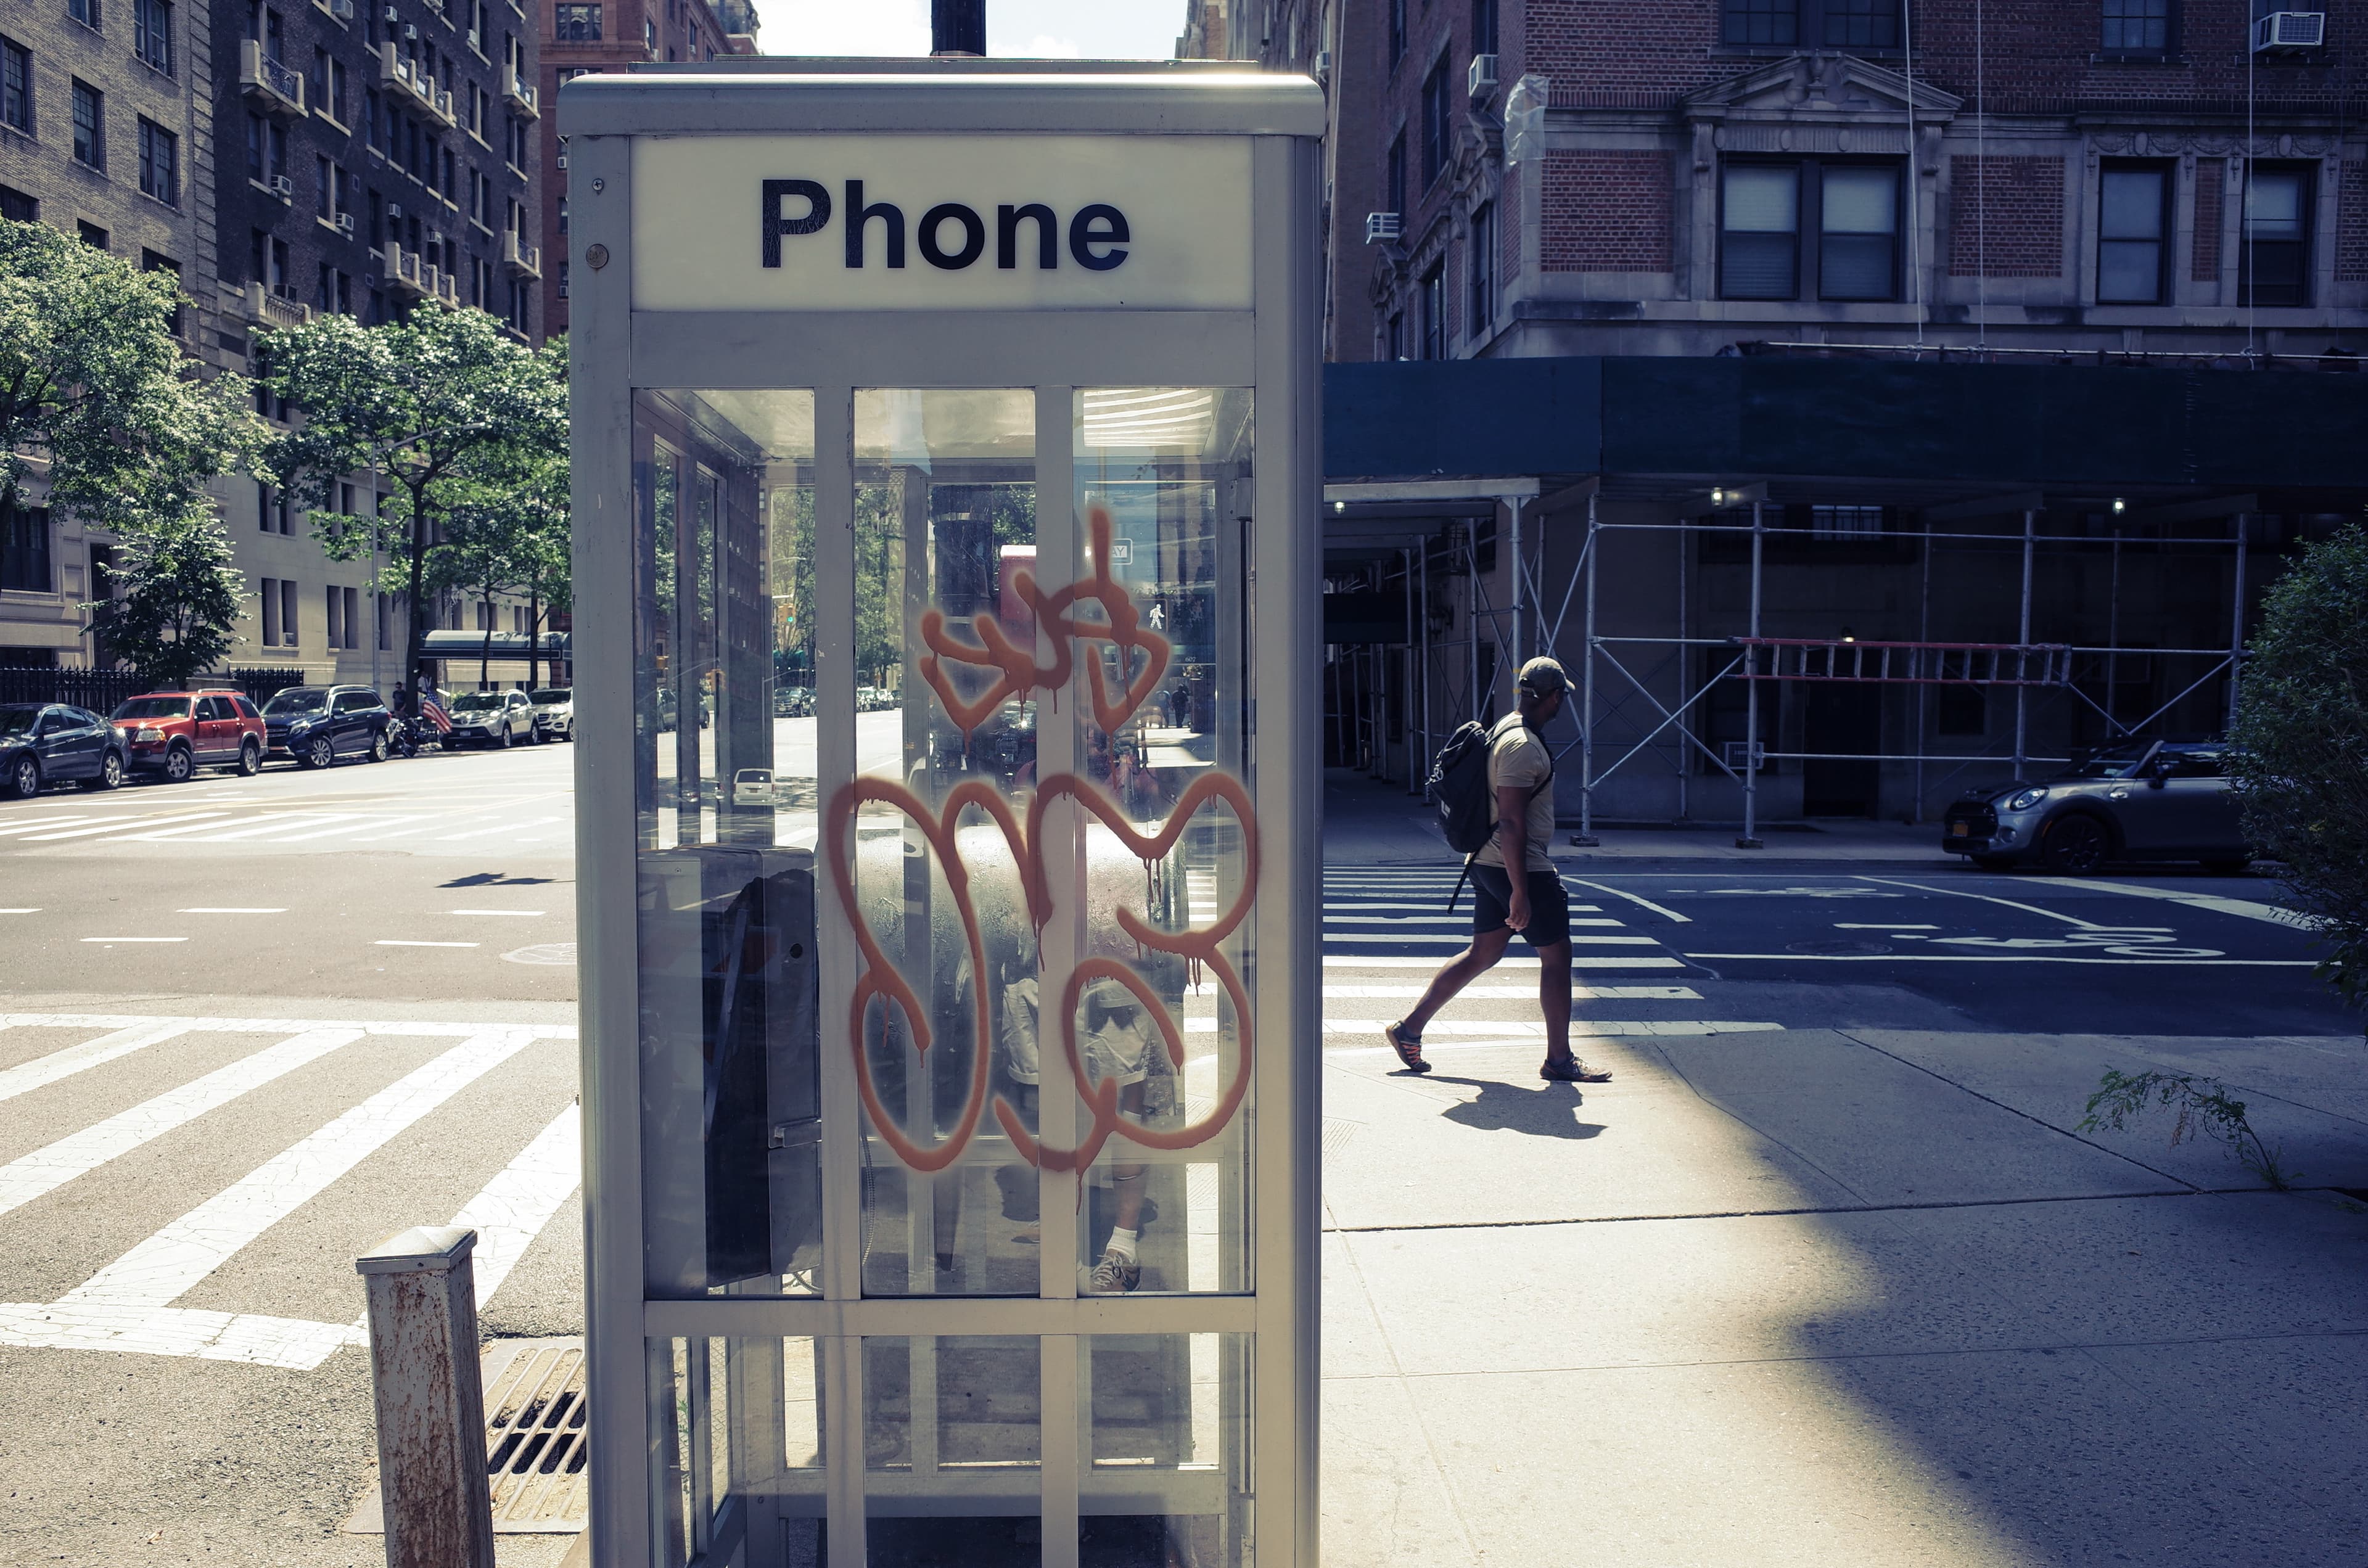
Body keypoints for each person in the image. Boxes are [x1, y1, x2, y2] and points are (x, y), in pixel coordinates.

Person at [1384, 657, 1612, 1083]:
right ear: (1556, 697)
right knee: (1557, 954)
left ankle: (1409, 1029)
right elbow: (1510, 820)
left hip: (1487, 861)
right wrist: (1521, 891)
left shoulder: (1507, 725)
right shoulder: (1522, 746)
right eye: (1563, 696)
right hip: (1516, 865)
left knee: (1484, 952)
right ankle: (1559, 1060)